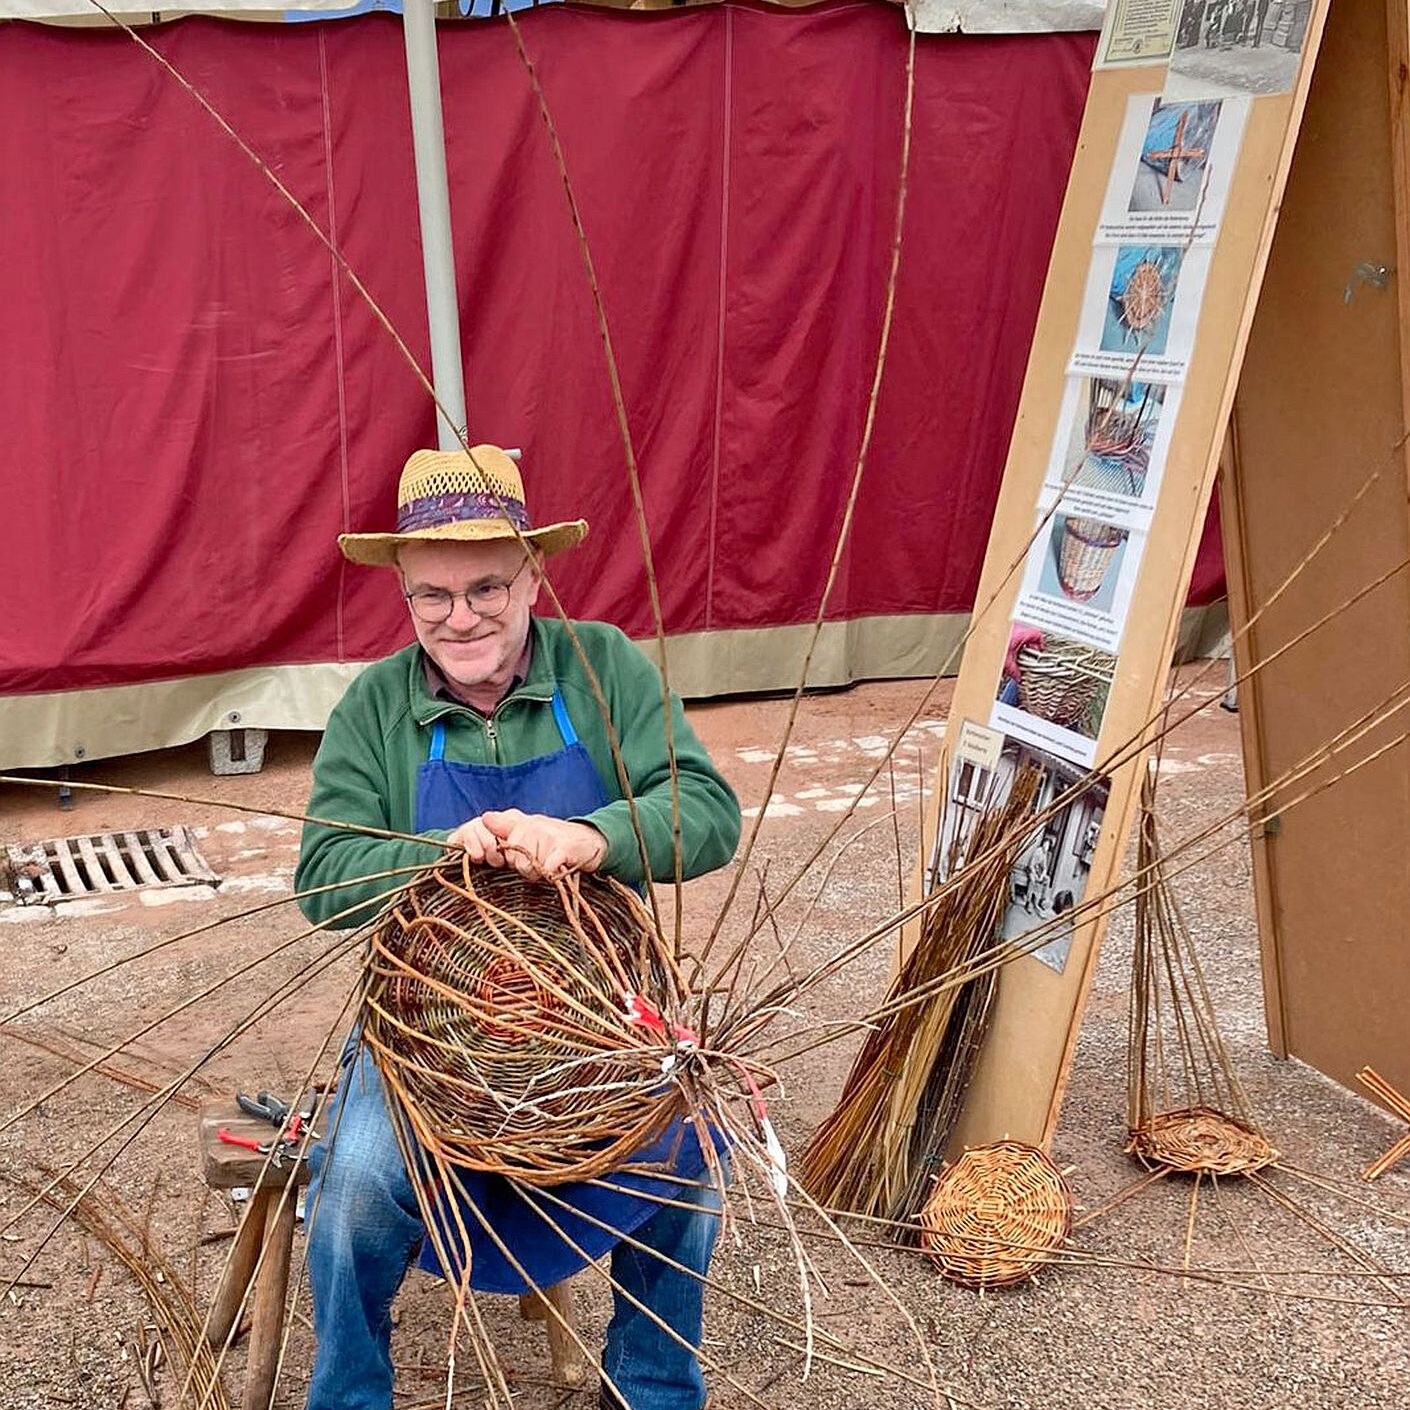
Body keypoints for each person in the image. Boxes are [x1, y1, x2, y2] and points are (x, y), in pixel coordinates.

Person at [293, 445, 743, 1410]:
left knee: (688, 1153)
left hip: (599, 1019)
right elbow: (323, 880)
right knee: (355, 1188)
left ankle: (654, 1388)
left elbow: (707, 809)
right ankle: (349, 1395)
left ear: (534, 573)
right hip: (429, 1031)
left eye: (488, 586)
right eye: (432, 596)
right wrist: (434, 853)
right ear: (405, 596)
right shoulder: (375, 707)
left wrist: (590, 834)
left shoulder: (602, 665)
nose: (461, 618)